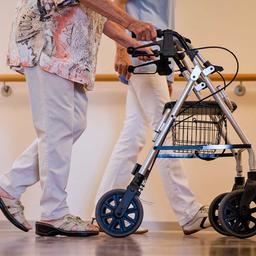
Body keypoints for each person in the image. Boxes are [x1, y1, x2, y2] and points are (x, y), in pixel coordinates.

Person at [0, 0, 157, 237]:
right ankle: (54, 212)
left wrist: (128, 42)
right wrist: (131, 23)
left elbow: (96, 13)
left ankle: (9, 187)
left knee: (72, 126)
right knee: (57, 129)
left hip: (68, 54)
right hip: (48, 44)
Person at [94, 0, 211, 235]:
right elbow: (118, 4)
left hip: (158, 57)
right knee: (165, 129)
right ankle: (188, 212)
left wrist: (168, 77)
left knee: (133, 135)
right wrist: (122, 50)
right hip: (143, 55)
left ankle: (104, 213)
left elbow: (164, 19)